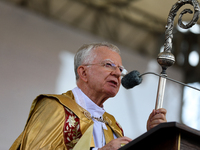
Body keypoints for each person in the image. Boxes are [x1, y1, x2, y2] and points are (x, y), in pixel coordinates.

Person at [10, 42, 167, 150]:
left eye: (120, 69)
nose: (118, 73)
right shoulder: (55, 106)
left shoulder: (112, 125)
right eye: (108, 65)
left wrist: (153, 137)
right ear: (83, 72)